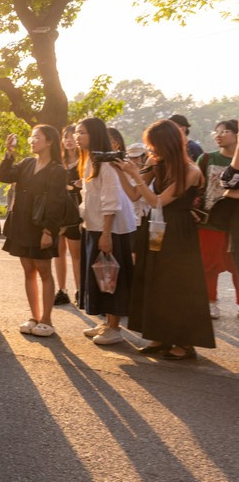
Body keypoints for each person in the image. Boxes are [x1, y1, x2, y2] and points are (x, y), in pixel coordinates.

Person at [115, 119, 215, 359]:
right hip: (155, 227)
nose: (151, 151)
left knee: (177, 285)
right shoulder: (155, 163)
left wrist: (135, 175)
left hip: (178, 231)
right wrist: (119, 171)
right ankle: (159, 336)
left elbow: (157, 201)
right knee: (155, 282)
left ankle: (184, 342)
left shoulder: (191, 171)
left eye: (154, 145)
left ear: (167, 143)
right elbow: (134, 195)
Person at [0, 126, 68, 337]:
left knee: (44, 271)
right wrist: (8, 154)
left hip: (42, 226)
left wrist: (48, 231)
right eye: (31, 137)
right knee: (28, 269)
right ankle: (34, 316)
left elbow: (57, 203)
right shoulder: (27, 163)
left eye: (37, 137)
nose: (32, 140)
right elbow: (4, 176)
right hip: (22, 223)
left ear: (49, 142)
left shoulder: (57, 170)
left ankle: (47, 319)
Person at [74, 118, 136, 346]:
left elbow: (110, 200)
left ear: (95, 134)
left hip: (109, 229)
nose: (77, 136)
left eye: (82, 132)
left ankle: (114, 327)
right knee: (101, 275)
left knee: (111, 275)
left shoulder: (106, 163)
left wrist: (107, 234)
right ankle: (108, 323)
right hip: (94, 226)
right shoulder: (90, 160)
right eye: (76, 132)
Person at [196, 120, 238, 319]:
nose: (219, 135)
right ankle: (211, 301)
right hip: (210, 219)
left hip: (235, 220)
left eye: (226, 131)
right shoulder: (207, 158)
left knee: (236, 264)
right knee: (209, 264)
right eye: (217, 131)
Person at [54, 125, 82, 305]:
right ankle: (62, 290)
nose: (69, 140)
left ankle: (81, 290)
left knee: (76, 253)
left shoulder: (85, 161)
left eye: (72, 136)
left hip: (78, 211)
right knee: (59, 252)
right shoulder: (58, 162)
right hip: (58, 211)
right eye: (66, 137)